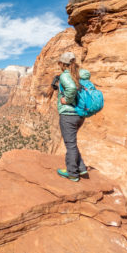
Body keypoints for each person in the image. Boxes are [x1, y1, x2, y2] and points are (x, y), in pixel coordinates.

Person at [49, 52, 90, 182]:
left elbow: (71, 88)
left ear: (62, 63)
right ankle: (81, 167)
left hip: (68, 114)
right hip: (80, 114)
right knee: (72, 142)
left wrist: (66, 100)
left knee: (70, 144)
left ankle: (72, 173)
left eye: (59, 63)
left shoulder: (65, 76)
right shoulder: (80, 73)